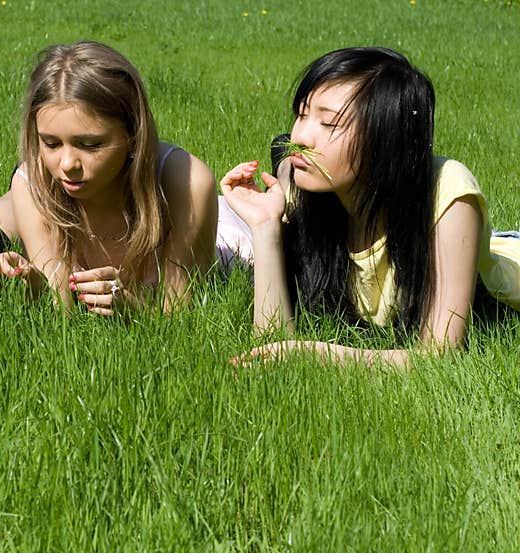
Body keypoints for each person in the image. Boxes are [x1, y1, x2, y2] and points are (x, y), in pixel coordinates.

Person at [220, 46, 520, 368]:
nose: (302, 135)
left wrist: (314, 354)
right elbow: (270, 347)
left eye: (329, 123)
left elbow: (440, 355)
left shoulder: (446, 192)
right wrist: (266, 227)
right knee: (289, 172)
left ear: (386, 138)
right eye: (302, 114)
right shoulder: (315, 197)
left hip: (504, 267)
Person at [0, 40, 224, 316]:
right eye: (51, 143)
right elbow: (61, 307)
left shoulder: (188, 183)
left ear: (133, 134)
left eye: (91, 145)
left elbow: (179, 311)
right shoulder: (33, 181)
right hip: (37, 193)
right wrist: (28, 281)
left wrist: (133, 309)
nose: (68, 164)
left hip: (222, 225)